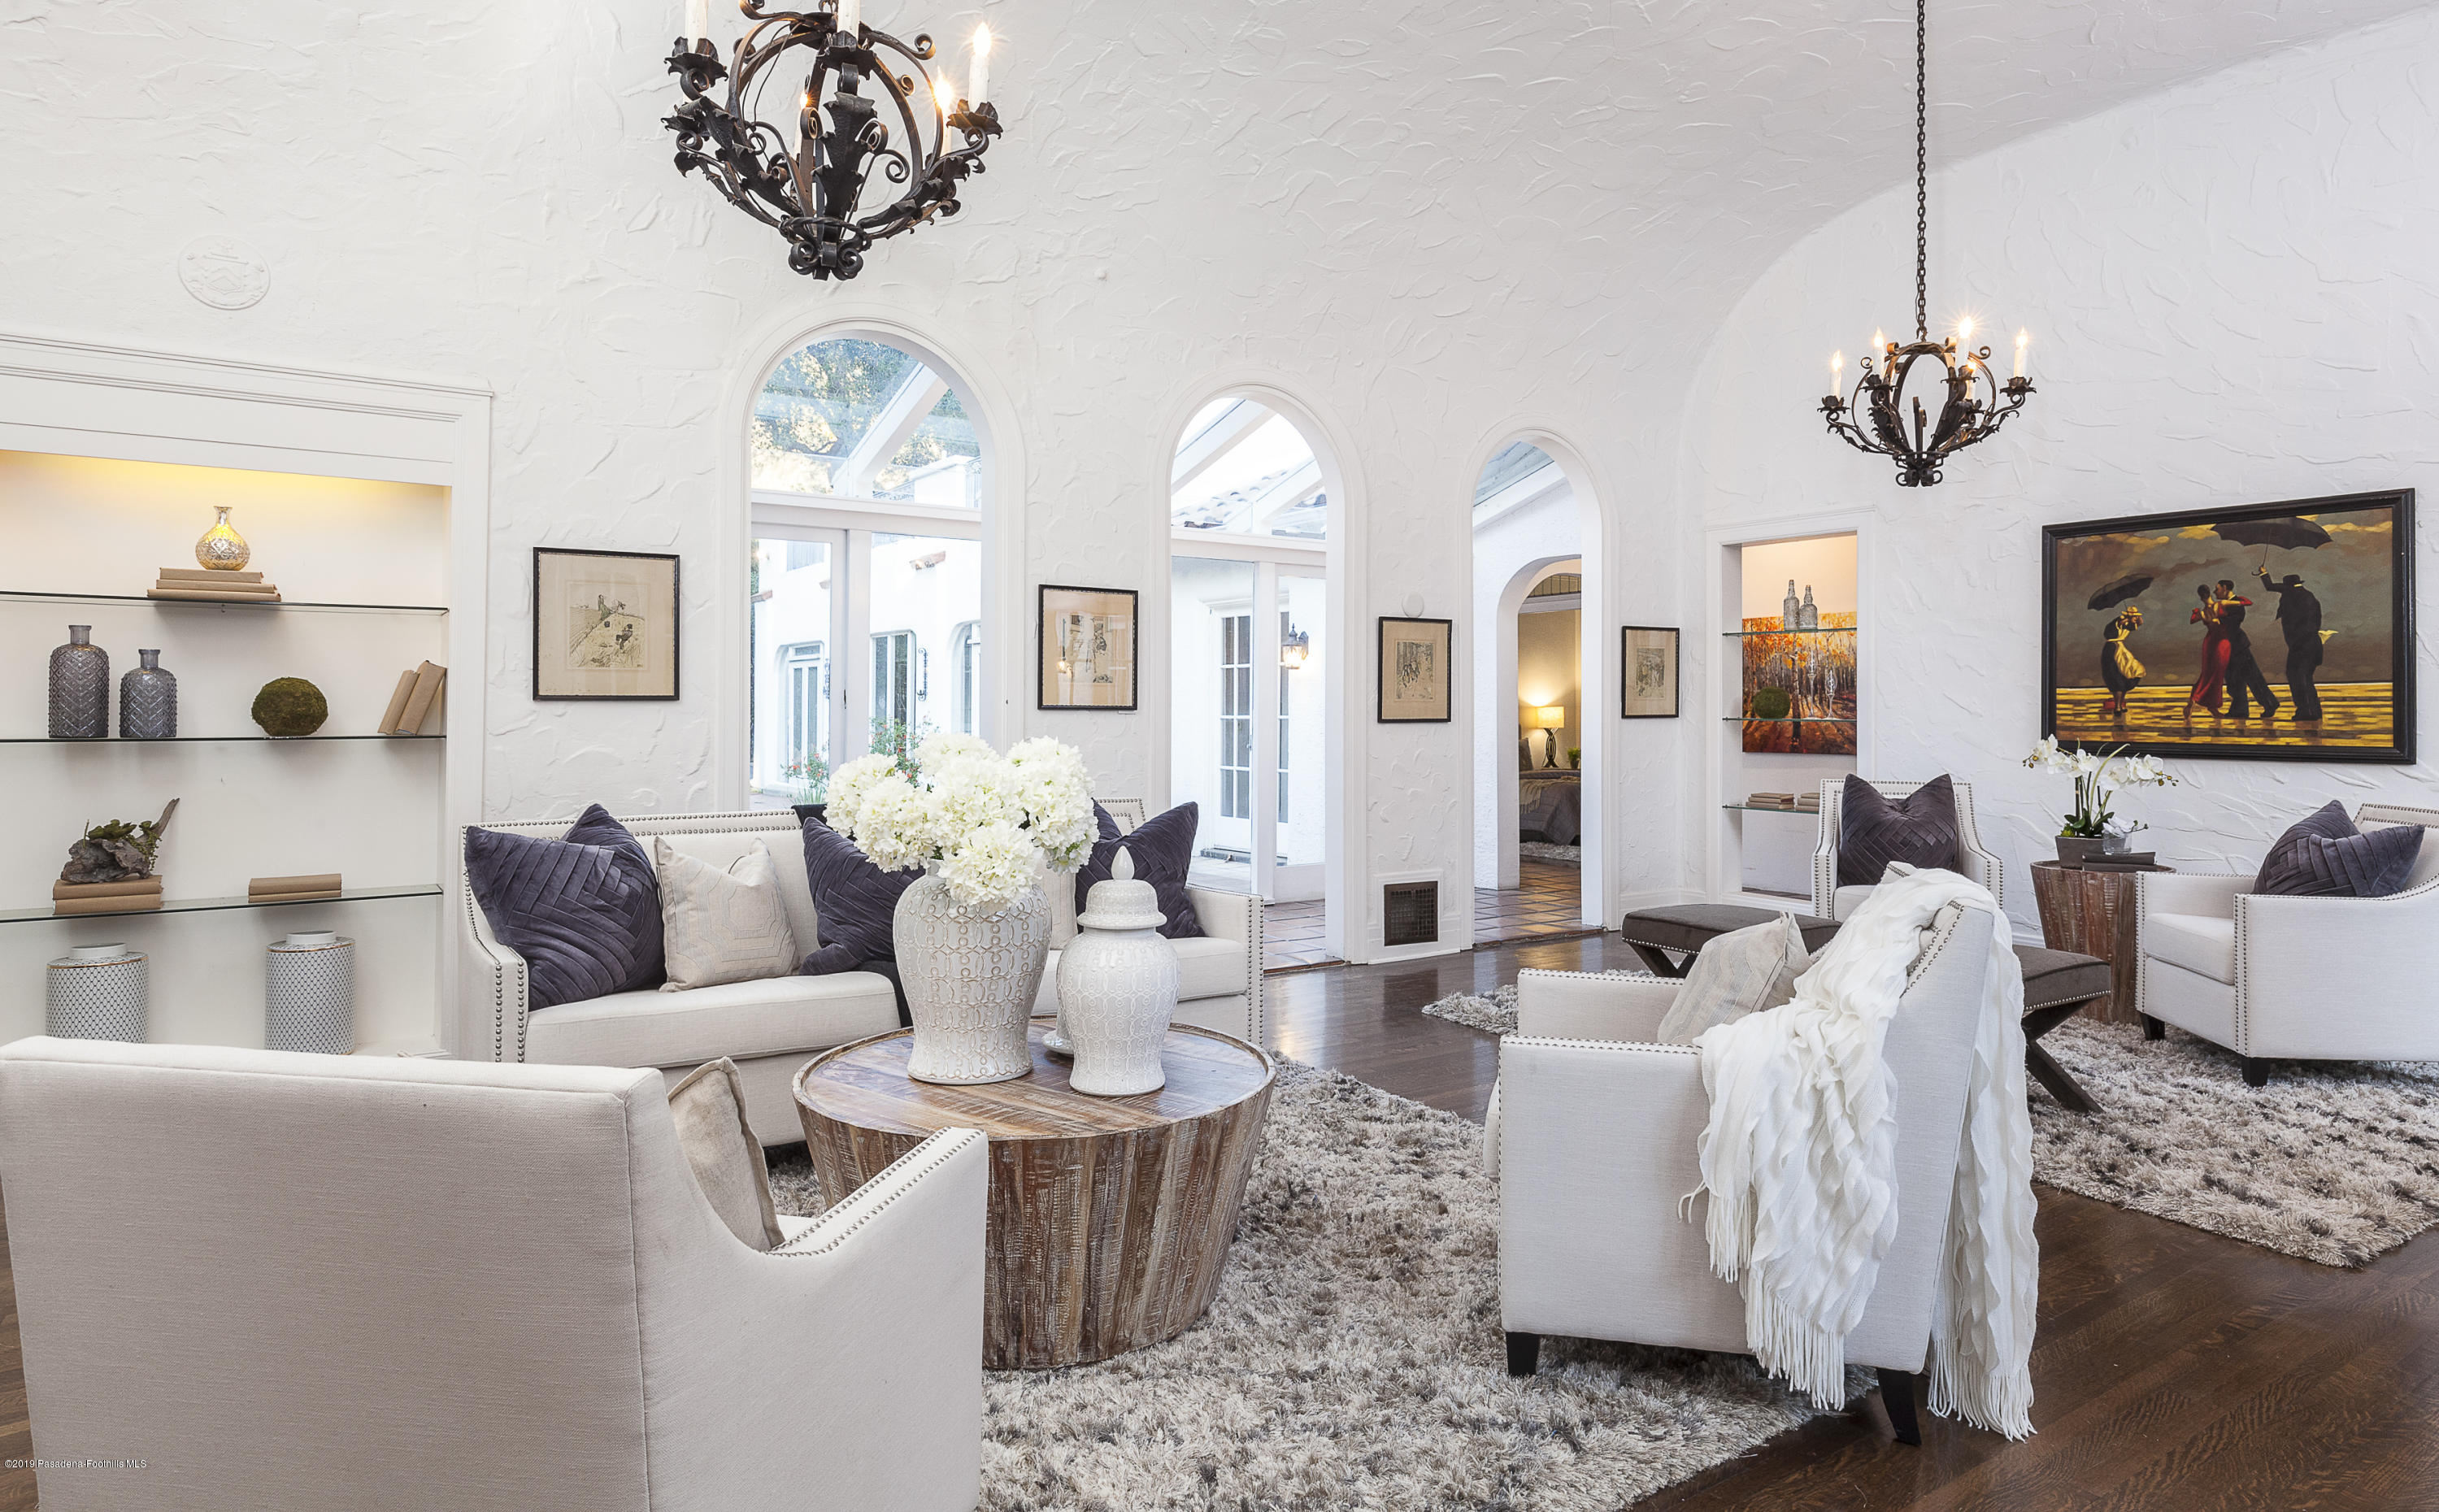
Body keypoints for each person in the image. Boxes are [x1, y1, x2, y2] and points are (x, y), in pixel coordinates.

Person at [2254, 567, 2324, 721]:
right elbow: (2273, 587)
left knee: (2297, 677)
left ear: (2288, 587)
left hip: (2301, 646)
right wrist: (2265, 573)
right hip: (2312, 645)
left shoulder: (2292, 595)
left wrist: (2264, 573)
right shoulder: (2308, 596)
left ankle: (2306, 711)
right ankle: (2313, 711)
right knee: (2305, 678)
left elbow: (2272, 587)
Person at [2214, 579, 2279, 720]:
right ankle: (2240, 710)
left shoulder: (2236, 603)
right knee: (2233, 680)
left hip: (2238, 646)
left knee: (2253, 677)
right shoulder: (2229, 603)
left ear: (2225, 588)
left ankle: (2270, 704)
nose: (2215, 592)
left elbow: (2234, 623)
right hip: (2229, 646)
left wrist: (2218, 621)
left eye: (2217, 589)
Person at [2186, 584, 2231, 716]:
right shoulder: (2220, 605)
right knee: (2215, 676)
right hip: (2221, 643)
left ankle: (2202, 704)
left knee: (2208, 674)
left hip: (2210, 642)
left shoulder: (2202, 612)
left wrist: (2196, 613)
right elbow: (2247, 602)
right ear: (2210, 593)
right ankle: (2199, 701)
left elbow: (2192, 620)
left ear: (2201, 597)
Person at [2099, 604, 2145, 716]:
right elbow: (2118, 625)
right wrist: (2122, 621)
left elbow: (2139, 623)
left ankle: (2120, 705)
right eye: (2134, 616)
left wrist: (2137, 618)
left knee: (2129, 674)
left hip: (2120, 650)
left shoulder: (2128, 623)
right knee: (2116, 677)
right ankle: (2117, 706)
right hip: (2112, 650)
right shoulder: (2119, 621)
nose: (2136, 618)